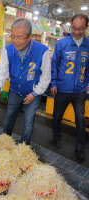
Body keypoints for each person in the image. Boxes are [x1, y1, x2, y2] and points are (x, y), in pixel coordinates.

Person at [0, 18, 51, 145]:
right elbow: (2, 72)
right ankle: (4, 143)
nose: (15, 41)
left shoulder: (42, 51)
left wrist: (35, 94)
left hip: (33, 92)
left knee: (28, 123)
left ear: (29, 37)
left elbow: (46, 77)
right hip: (14, 91)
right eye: (12, 36)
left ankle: (23, 149)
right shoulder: (8, 50)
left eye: (19, 37)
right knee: (8, 119)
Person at [50, 14, 89, 162]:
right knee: (57, 117)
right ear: (70, 26)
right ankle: (56, 137)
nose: (77, 32)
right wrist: (53, 83)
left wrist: (86, 83)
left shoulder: (88, 45)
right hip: (62, 89)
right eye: (74, 28)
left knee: (80, 121)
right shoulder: (62, 44)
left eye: (81, 29)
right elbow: (55, 65)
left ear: (86, 28)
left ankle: (80, 148)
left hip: (79, 91)